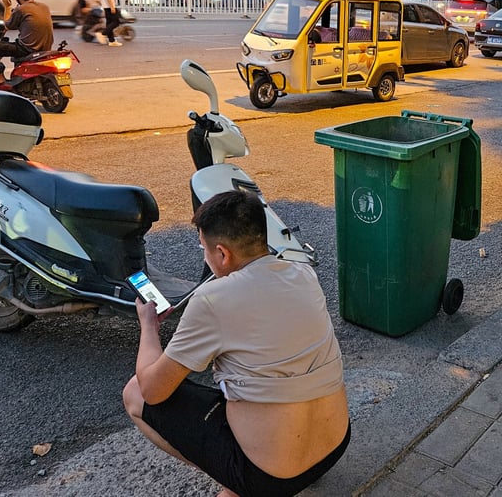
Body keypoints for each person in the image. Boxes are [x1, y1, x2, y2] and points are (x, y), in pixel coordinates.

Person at [123, 190, 350, 497]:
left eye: (204, 249)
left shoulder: (213, 300)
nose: (204, 257)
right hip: (334, 446)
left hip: (272, 477)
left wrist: (148, 326)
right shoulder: (301, 272)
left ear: (222, 253)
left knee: (134, 393)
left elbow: (152, 391)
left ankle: (237, 482)